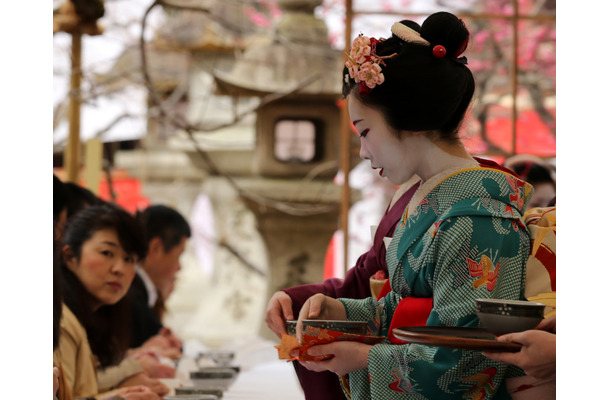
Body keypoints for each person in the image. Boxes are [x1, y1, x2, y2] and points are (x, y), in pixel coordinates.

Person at [292, 12, 533, 399]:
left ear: (412, 119)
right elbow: (403, 311)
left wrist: (363, 359)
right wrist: (342, 312)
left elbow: (469, 364)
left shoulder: (478, 217)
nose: (363, 151)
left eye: (366, 131)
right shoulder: (432, 202)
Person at [55, 203, 170, 398]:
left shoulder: (84, 317)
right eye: (107, 253)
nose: (119, 269)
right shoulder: (61, 320)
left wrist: (118, 390)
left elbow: (79, 391)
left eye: (129, 259)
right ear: (70, 256)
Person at [127, 205, 191, 355]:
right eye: (179, 255)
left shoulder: (140, 292)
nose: (179, 267)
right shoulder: (131, 293)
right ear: (155, 248)